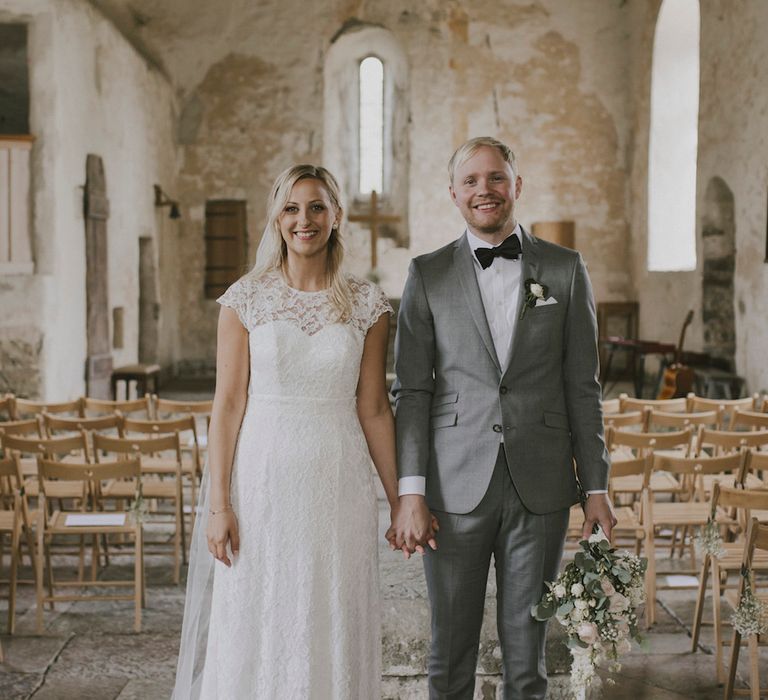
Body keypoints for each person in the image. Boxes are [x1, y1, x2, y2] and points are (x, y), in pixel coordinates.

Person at [390, 136, 616, 699]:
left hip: (539, 486)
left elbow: (582, 387)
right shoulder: (427, 273)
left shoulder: (565, 270)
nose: (483, 190)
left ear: (516, 186)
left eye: (495, 178)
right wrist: (410, 491)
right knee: (449, 655)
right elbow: (413, 391)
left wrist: (597, 487)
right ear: (453, 194)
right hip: (451, 486)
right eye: (470, 181)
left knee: (527, 660)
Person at [172, 164, 399, 699]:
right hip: (263, 486)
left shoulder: (367, 304)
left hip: (337, 485)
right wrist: (219, 505)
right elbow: (227, 406)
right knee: (259, 614)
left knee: (333, 615)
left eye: (317, 207)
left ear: (336, 216)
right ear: (277, 218)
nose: (305, 220)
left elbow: (374, 409)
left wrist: (399, 499)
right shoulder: (244, 299)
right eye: (293, 208)